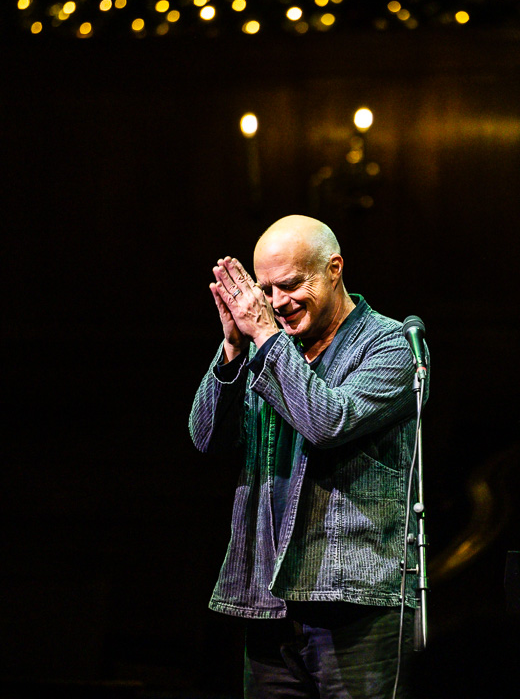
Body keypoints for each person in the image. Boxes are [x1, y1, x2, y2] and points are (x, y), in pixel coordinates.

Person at [189, 215, 425, 699]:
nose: (277, 303)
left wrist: (265, 338)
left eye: (292, 285)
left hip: (355, 605)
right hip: (269, 604)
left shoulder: (391, 345)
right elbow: (206, 438)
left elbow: (328, 422)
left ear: (334, 269)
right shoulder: (268, 345)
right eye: (265, 290)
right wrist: (233, 346)